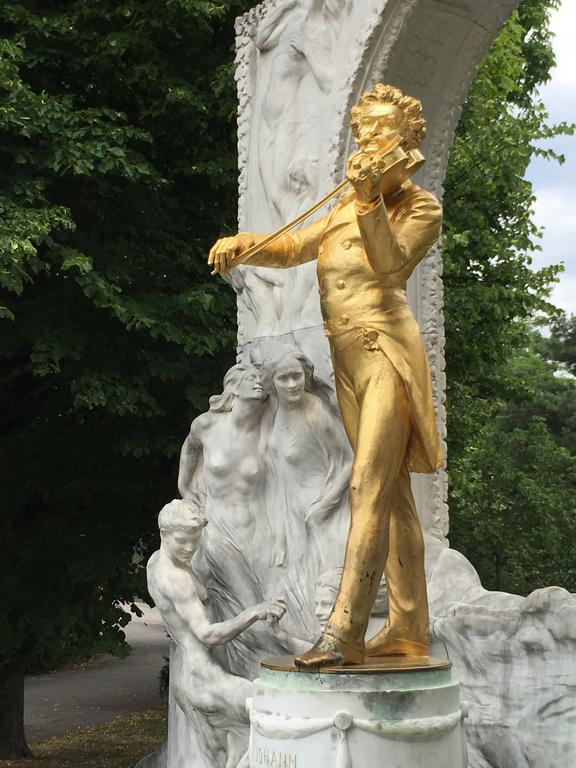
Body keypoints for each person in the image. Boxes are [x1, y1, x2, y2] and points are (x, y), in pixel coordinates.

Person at [208, 84, 443, 668]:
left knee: (366, 484)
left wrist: (368, 203)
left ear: (407, 141)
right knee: (392, 500)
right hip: (347, 361)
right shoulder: (342, 204)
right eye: (362, 134)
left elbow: (389, 264)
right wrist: (246, 245)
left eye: (381, 133)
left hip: (385, 349)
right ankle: (411, 629)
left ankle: (344, 632)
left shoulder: (418, 207)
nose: (367, 144)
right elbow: (292, 247)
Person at [147, 498, 286, 768]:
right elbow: (207, 635)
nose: (189, 548)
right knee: (272, 709)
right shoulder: (176, 579)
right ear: (164, 533)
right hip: (203, 678)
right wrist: (254, 612)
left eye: (194, 540)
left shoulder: (155, 563)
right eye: (181, 540)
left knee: (225, 753)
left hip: (190, 675)